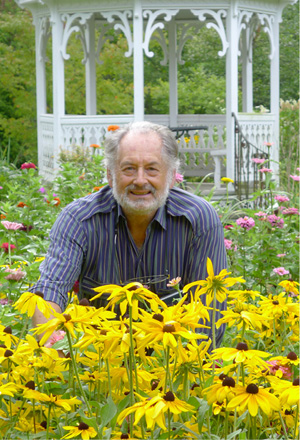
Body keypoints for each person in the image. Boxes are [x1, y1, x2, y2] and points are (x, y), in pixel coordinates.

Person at [32, 121, 227, 346]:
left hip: (173, 362)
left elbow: (210, 314)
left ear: (172, 176)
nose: (140, 180)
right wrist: (54, 356)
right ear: (110, 175)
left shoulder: (198, 220)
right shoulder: (79, 220)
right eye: (129, 169)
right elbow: (49, 291)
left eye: (152, 169)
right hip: (99, 364)